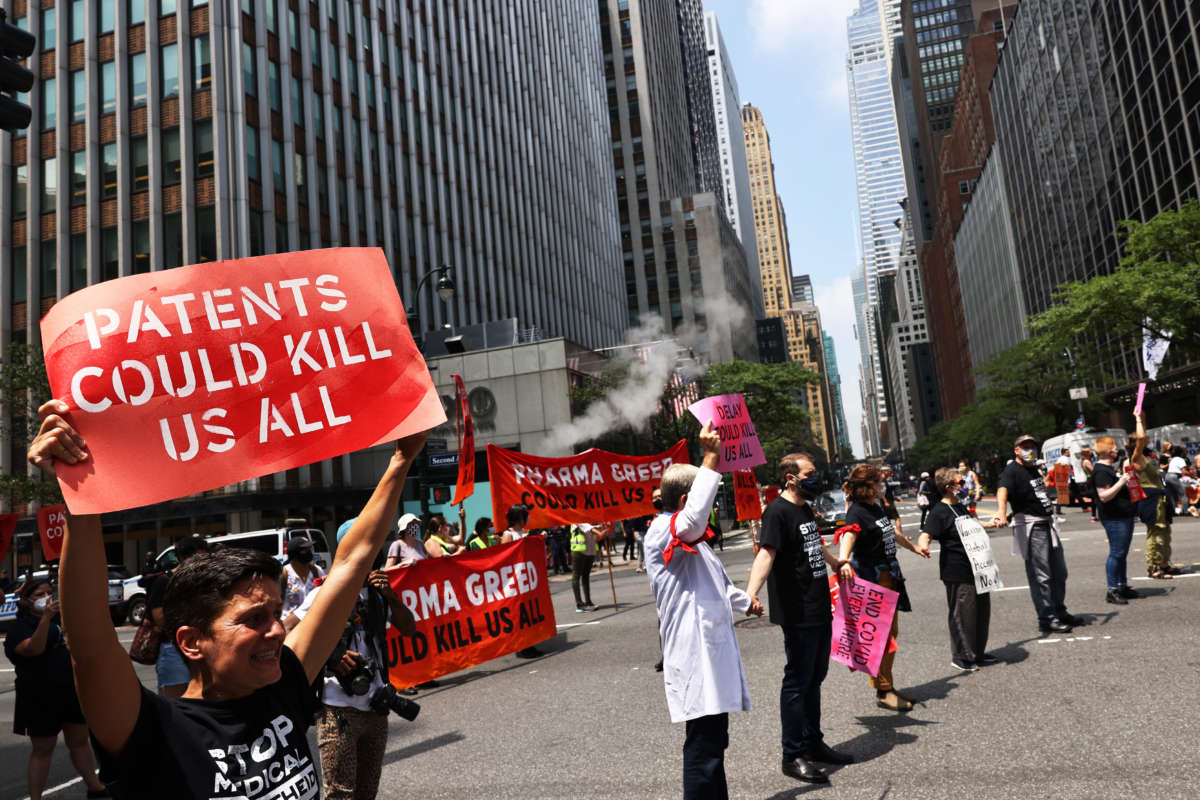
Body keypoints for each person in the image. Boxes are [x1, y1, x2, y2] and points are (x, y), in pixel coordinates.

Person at [28, 396, 429, 799]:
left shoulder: (282, 681)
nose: (276, 630)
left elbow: (350, 563)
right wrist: (79, 497)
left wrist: (402, 459)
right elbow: (91, 645)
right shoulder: (152, 730)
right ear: (190, 641)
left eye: (275, 612)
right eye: (253, 618)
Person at [644, 422, 763, 799]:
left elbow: (719, 587)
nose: (708, 508)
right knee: (703, 746)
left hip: (711, 653)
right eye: (703, 497)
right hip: (694, 654)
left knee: (715, 741)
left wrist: (747, 602)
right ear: (685, 500)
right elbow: (693, 521)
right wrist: (711, 456)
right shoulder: (664, 530)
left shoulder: (693, 540)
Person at [746, 452, 852, 785]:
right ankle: (791, 756)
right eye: (809, 473)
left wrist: (835, 563)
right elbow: (767, 552)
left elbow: (813, 544)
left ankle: (812, 742)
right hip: (798, 609)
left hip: (818, 603)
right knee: (798, 680)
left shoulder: (803, 508)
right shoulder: (777, 511)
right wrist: (751, 593)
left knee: (815, 676)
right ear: (791, 478)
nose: (815, 478)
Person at [290, 553, 416, 800]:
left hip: (376, 708)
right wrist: (330, 660)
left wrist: (391, 596)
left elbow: (409, 629)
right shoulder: (327, 593)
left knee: (367, 792)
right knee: (340, 794)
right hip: (338, 710)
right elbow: (287, 630)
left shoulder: (379, 595)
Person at [4, 577, 109, 800]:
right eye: (39, 595)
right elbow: (34, 648)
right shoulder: (19, 629)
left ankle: (94, 786)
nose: (46, 598)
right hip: (39, 696)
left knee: (79, 741)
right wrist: (46, 619)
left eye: (49, 593)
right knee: (43, 749)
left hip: (69, 690)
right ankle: (35, 797)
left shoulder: (61, 619)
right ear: (25, 601)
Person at [836, 464, 930, 711]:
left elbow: (893, 534)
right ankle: (883, 691)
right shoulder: (857, 511)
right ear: (866, 487)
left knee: (891, 634)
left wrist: (914, 548)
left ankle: (887, 685)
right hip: (872, 578)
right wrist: (843, 560)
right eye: (878, 482)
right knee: (881, 637)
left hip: (889, 575)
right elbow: (848, 535)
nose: (882, 486)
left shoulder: (874, 507)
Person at [992, 434, 1082, 635]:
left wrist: (1052, 479)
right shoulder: (1012, 470)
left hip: (1047, 523)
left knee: (1060, 572)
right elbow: (1002, 490)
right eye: (1025, 447)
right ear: (1016, 450)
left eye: (1032, 446)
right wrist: (1000, 513)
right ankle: (1047, 617)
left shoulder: (1032, 469)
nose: (1030, 450)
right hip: (1032, 527)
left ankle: (1059, 610)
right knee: (1041, 575)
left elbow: (1037, 490)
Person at [917, 468, 1000, 672]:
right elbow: (926, 534)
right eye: (960, 482)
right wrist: (923, 546)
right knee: (962, 614)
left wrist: (990, 523)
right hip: (957, 570)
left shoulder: (959, 507)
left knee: (981, 613)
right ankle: (961, 656)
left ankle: (977, 653)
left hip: (978, 568)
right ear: (948, 487)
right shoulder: (939, 512)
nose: (964, 486)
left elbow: (973, 524)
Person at [146, 535, 211, 697]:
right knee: (176, 702)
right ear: (182, 557)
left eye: (205, 558)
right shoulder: (164, 581)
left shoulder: (206, 581)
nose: (201, 563)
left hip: (203, 645)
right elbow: (159, 618)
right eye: (197, 558)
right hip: (173, 648)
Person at [1091, 436, 1141, 603]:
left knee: (1122, 553)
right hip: (1115, 518)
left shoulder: (1108, 468)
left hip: (1123, 515)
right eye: (1113, 448)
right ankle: (1112, 590)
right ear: (1106, 451)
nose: (1115, 450)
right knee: (1116, 553)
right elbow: (1104, 496)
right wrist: (1122, 481)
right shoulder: (1101, 471)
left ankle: (1121, 586)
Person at [1129, 413, 1178, 579]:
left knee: (1165, 533)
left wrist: (1142, 417)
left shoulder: (1147, 456)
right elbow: (1141, 438)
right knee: (1155, 535)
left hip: (1160, 498)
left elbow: (1142, 437)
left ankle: (1164, 564)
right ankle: (1153, 567)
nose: (1147, 438)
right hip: (1150, 500)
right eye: (1143, 439)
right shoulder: (1136, 458)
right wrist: (1137, 418)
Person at [281, 534, 325, 619]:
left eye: (310, 549)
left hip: (313, 621)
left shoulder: (316, 571)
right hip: (290, 625)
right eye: (305, 550)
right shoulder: (283, 574)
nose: (309, 552)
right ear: (294, 553)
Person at [570, 523, 597, 612]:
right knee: (576, 576)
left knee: (586, 576)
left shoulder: (588, 517)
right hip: (579, 550)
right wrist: (600, 532)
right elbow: (587, 527)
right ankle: (580, 604)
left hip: (589, 550)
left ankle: (588, 601)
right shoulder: (576, 517)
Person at [1165, 444, 1188, 515]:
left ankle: (1173, 512)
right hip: (1174, 476)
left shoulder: (1172, 459)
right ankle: (1185, 511)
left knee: (1172, 495)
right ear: (1181, 453)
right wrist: (1192, 475)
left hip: (1167, 476)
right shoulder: (1181, 460)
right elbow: (1184, 471)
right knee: (1183, 494)